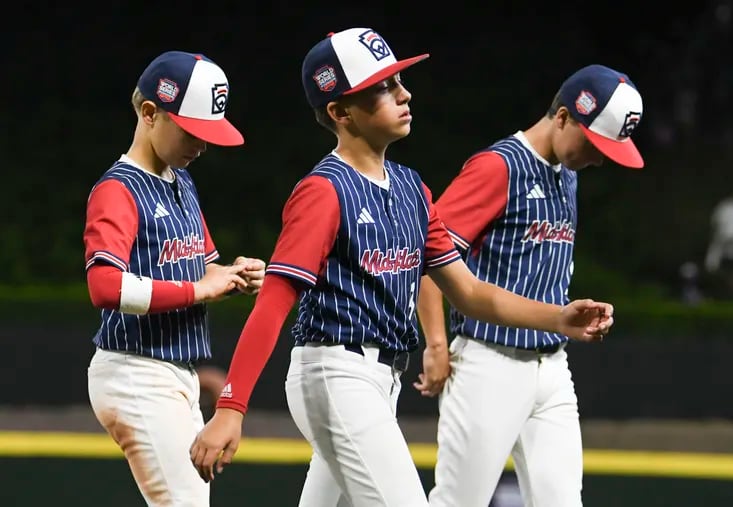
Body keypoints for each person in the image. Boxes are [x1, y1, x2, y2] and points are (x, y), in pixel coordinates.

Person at [189, 30, 613, 507]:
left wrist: (557, 318)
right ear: (340, 112)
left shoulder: (412, 189)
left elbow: (471, 293)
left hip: (380, 380)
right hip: (336, 372)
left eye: (398, 80)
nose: (404, 93)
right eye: (383, 87)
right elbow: (273, 305)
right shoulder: (323, 191)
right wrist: (231, 405)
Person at [414, 64, 644, 507]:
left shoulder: (567, 172)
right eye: (593, 143)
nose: (598, 158)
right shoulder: (498, 167)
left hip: (553, 368)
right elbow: (431, 258)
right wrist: (437, 345)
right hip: (487, 361)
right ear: (562, 117)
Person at [83, 50, 266, 507]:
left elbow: (202, 267)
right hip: (133, 370)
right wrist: (200, 289)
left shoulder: (180, 180)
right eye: (192, 131)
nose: (201, 145)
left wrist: (232, 274)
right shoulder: (117, 189)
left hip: (172, 371)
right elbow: (105, 287)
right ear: (150, 113)